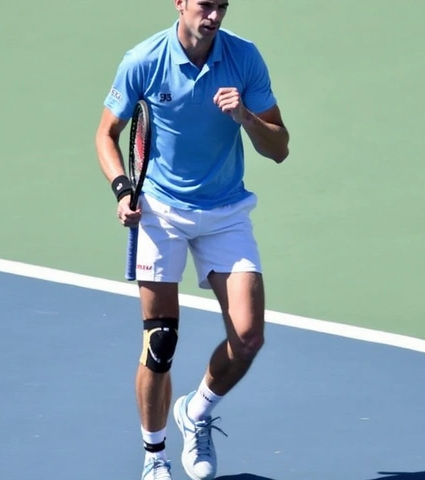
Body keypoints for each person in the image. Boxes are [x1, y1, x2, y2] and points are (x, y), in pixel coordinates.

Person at [94, 1, 289, 479]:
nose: (215, 15)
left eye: (223, 5)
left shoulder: (244, 58)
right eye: (206, 4)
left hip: (226, 212)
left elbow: (279, 147)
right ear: (180, 2)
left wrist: (244, 115)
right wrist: (123, 191)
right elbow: (106, 134)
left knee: (247, 338)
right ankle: (154, 457)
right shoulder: (143, 60)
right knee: (160, 342)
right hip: (161, 212)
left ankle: (196, 411)